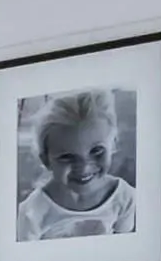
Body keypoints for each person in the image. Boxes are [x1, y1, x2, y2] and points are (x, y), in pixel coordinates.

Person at [16, 89, 137, 241]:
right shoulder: (32, 212)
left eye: (97, 151)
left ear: (112, 145)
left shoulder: (125, 197)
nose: (84, 167)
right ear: (46, 160)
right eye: (67, 157)